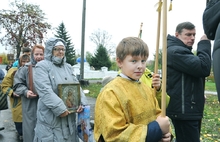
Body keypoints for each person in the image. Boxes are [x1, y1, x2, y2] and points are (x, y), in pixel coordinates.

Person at [94, 37, 171, 142]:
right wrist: (156, 129)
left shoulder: (146, 88)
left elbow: (158, 115)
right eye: (134, 61)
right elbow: (115, 134)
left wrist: (165, 134)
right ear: (120, 62)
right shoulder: (110, 93)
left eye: (143, 61)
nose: (140, 66)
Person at [33, 37, 87, 142]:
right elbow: (45, 90)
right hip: (51, 119)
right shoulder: (42, 66)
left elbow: (77, 86)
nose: (61, 52)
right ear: (50, 50)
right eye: (57, 49)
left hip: (69, 118)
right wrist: (60, 109)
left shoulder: (68, 67)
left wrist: (81, 102)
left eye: (63, 49)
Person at [166, 21, 211, 142]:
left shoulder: (181, 51)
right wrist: (204, 44)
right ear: (177, 35)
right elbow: (203, 67)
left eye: (194, 35)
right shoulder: (175, 52)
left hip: (187, 109)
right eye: (188, 34)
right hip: (184, 111)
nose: (192, 38)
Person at [13, 45, 45, 142]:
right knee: (31, 131)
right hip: (30, 105)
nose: (39, 57)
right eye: (36, 54)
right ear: (32, 55)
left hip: (45, 104)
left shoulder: (49, 68)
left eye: (41, 54)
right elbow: (17, 84)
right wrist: (25, 92)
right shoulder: (25, 69)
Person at [1, 54, 30, 141]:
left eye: (27, 61)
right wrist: (12, 93)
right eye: (23, 62)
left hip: (31, 103)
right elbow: (4, 86)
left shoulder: (33, 70)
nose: (25, 64)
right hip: (18, 104)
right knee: (21, 128)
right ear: (20, 62)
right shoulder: (13, 71)